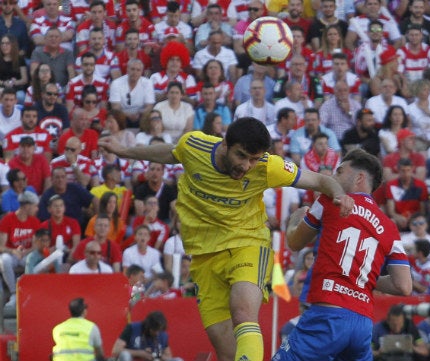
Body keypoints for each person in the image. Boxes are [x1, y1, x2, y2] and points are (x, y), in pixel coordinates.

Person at [99, 116, 354, 361]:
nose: (246, 166)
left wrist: (340, 195)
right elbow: (171, 152)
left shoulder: (267, 166)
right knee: (226, 352)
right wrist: (125, 151)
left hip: (248, 244)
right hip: (203, 257)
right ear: (224, 144)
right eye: (241, 156)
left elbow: (319, 179)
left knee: (243, 312)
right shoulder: (195, 146)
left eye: (253, 159)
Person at [272, 148, 412, 361]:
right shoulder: (390, 227)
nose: (333, 177)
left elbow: (294, 242)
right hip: (363, 324)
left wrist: (295, 219)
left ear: (359, 177)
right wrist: (364, 279)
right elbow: (404, 286)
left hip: (328, 314)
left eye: (340, 171)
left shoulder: (330, 201)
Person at [0, 190, 40, 306]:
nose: (37, 209)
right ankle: (14, 293)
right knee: (4, 260)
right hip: (12, 254)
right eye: (35, 206)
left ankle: (30, 292)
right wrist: (13, 251)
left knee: (35, 260)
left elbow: (36, 245)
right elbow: (1, 246)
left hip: (26, 254)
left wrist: (26, 251)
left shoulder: (34, 221)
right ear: (27, 206)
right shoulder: (8, 220)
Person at [111, 311, 178, 361]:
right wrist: (140, 353)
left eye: (159, 330)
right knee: (125, 355)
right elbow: (116, 350)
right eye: (155, 330)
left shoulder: (163, 335)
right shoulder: (132, 328)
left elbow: (169, 357)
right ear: (148, 326)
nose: (157, 333)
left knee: (178, 360)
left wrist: (158, 355)